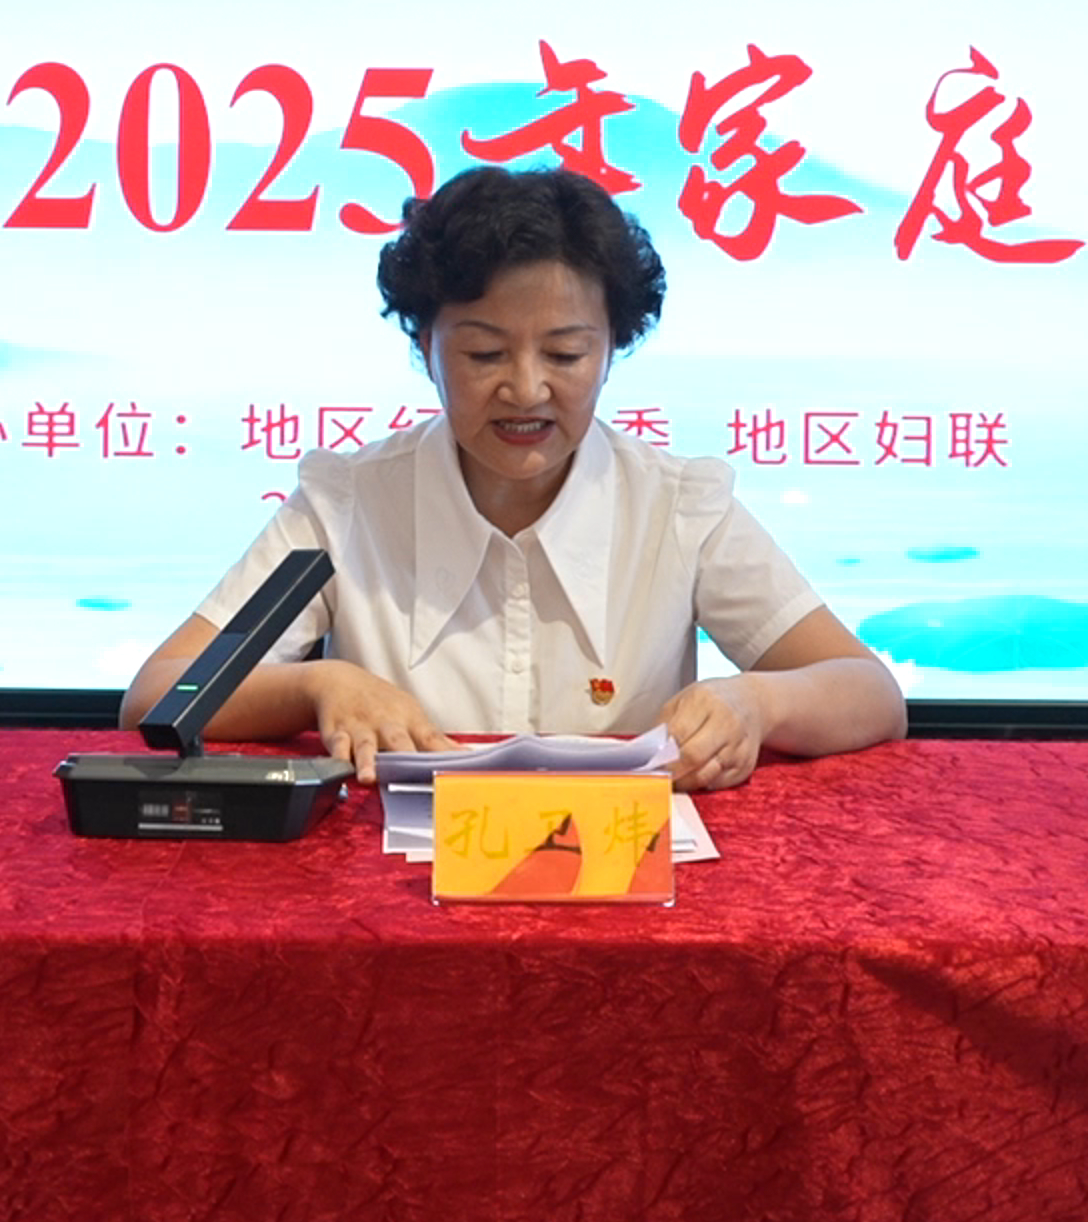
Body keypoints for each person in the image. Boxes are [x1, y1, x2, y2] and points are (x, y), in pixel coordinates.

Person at [122, 167, 906, 792]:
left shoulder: (677, 506)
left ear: (612, 348)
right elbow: (159, 693)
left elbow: (870, 693)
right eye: (485, 354)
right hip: (399, 894)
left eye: (565, 354)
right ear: (425, 346)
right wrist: (318, 686)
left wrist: (757, 703)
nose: (527, 389)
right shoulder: (346, 504)